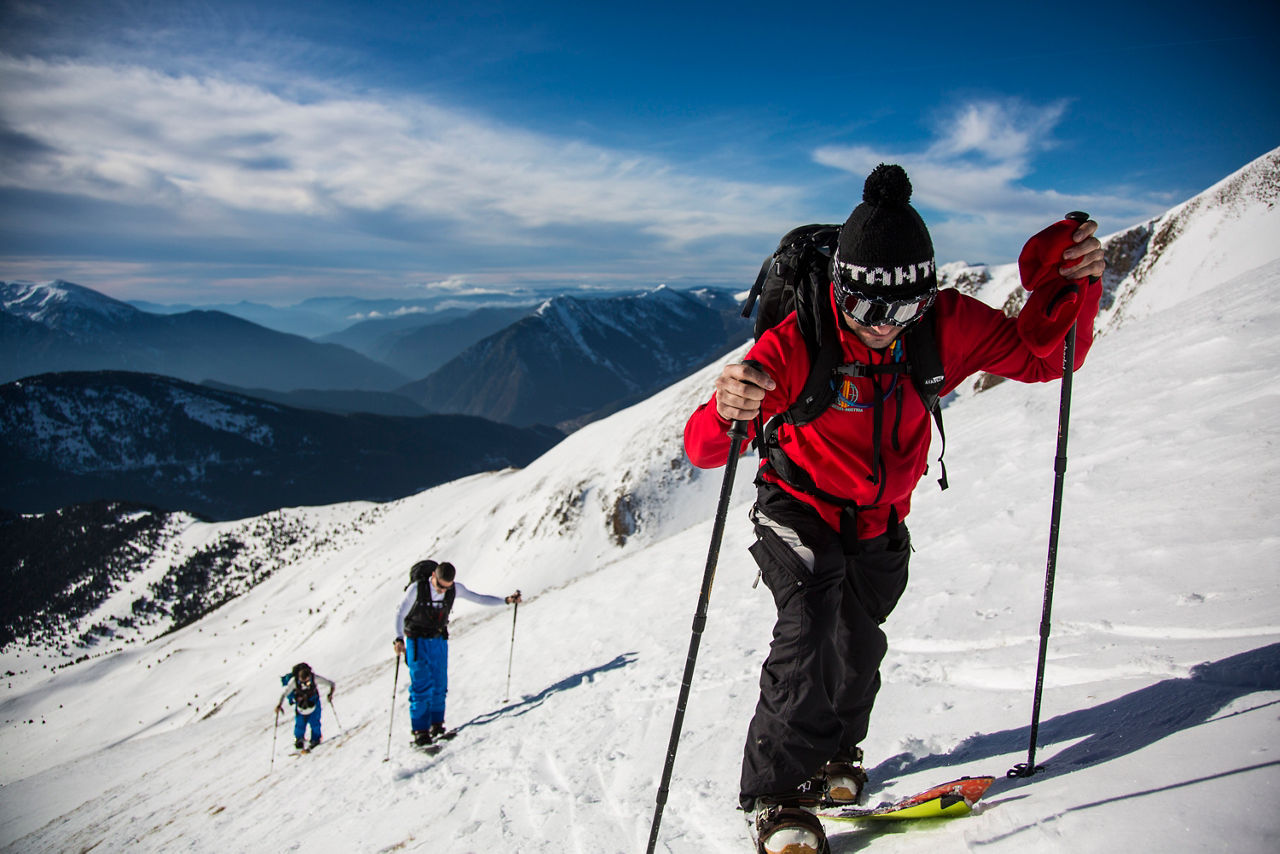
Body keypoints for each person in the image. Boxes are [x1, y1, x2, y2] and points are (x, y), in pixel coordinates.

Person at [682, 163, 1105, 853]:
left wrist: (1071, 286)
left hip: (881, 519)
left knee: (859, 641)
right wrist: (728, 406)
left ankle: (836, 757)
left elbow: (1042, 359)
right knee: (811, 624)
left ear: (925, 295)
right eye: (864, 307)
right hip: (798, 503)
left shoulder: (944, 325)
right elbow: (704, 448)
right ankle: (778, 795)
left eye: (902, 310)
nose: (883, 326)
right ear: (839, 288)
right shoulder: (802, 340)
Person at [393, 559, 522, 746]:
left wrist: (506, 600)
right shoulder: (417, 589)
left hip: (438, 640)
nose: (442, 591)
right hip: (417, 641)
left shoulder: (455, 589)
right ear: (433, 576)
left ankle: (437, 725)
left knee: (440, 683)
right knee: (421, 685)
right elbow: (400, 612)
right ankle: (420, 731)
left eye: (446, 588)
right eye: (439, 586)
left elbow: (479, 598)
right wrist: (398, 639)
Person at [274, 662, 336, 750]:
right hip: (304, 704)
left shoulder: (314, 678)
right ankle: (300, 739)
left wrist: (330, 694)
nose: (305, 683)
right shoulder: (294, 681)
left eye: (306, 681)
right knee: (301, 723)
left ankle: (315, 739)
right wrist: (279, 705)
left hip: (311, 703)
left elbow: (331, 684)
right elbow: (285, 693)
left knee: (314, 722)